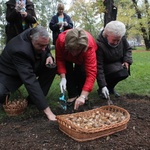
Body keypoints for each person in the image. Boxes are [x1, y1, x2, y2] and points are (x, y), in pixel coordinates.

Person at [0, 26, 57, 121]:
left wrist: (48, 55)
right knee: (0, 94)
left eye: (45, 45)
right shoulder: (19, 49)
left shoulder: (38, 36)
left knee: (51, 67)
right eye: (40, 46)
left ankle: (32, 101)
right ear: (31, 39)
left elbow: (45, 49)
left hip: (31, 64)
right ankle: (40, 103)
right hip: (9, 73)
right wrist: (48, 111)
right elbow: (30, 80)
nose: (44, 48)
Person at [55, 28, 97, 111]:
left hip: (83, 57)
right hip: (66, 55)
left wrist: (83, 96)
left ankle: (83, 95)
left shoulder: (89, 46)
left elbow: (91, 73)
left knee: (82, 71)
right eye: (72, 50)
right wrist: (63, 77)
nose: (74, 53)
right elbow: (60, 59)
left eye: (77, 50)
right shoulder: (60, 40)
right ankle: (73, 95)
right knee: (68, 71)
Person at [96, 21, 133, 99]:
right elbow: (98, 66)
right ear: (106, 35)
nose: (116, 43)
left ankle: (110, 88)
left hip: (117, 64)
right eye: (114, 40)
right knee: (116, 70)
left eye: (118, 40)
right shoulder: (99, 44)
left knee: (123, 72)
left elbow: (128, 49)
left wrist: (127, 61)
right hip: (106, 67)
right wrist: (102, 85)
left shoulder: (121, 37)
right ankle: (102, 89)